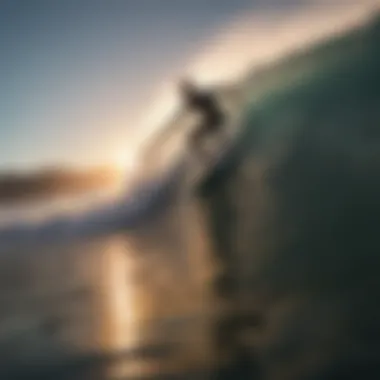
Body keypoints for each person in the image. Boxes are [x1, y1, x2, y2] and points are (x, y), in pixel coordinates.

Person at [179, 79, 226, 157]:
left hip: (214, 120)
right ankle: (209, 155)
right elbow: (192, 107)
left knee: (192, 138)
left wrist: (188, 97)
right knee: (192, 138)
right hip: (214, 119)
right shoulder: (200, 97)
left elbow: (192, 106)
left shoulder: (198, 98)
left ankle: (208, 156)